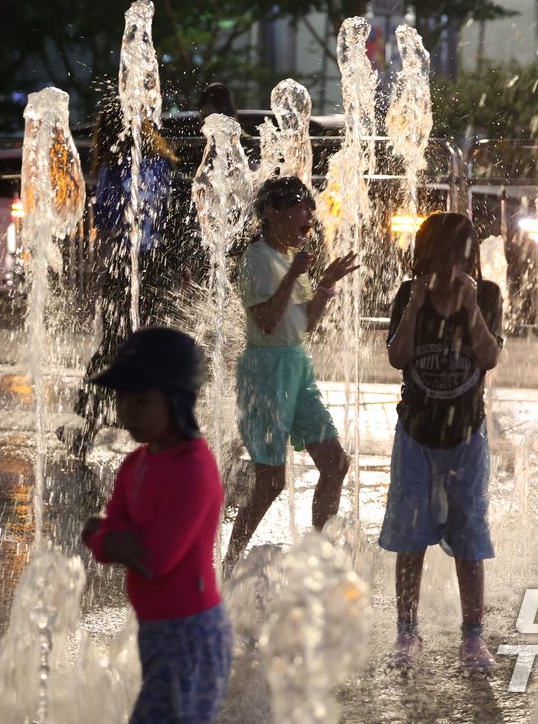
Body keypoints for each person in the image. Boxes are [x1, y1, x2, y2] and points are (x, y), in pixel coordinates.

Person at [82, 327, 232, 723]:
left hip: (192, 634)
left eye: (142, 400)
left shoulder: (194, 471)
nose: (126, 411)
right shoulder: (136, 465)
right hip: (156, 629)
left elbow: (155, 559)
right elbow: (108, 532)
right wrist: (107, 538)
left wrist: (105, 536)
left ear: (177, 400)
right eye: (121, 398)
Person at [380, 212, 503, 672]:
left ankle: (473, 638)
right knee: (410, 537)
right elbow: (397, 357)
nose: (451, 268)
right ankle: (407, 632)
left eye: (459, 257)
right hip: (415, 436)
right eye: (441, 256)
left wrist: (471, 309)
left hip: (465, 437)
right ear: (427, 257)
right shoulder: (409, 295)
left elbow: (489, 358)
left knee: (469, 537)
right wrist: (413, 308)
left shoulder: (486, 295)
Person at [222, 176, 359, 572]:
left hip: (296, 369)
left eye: (309, 206)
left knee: (335, 463)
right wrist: (293, 275)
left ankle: (319, 555)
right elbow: (265, 320)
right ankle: (230, 561)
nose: (310, 214)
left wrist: (326, 285)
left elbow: (304, 325)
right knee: (270, 479)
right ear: (271, 214)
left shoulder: (288, 260)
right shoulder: (257, 258)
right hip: (265, 375)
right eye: (301, 206)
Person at [65, 96, 182, 458]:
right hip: (157, 267)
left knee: (114, 345)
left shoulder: (113, 168)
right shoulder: (162, 163)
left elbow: (107, 225)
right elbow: (170, 216)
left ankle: (88, 427)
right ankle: (166, 430)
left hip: (124, 265)